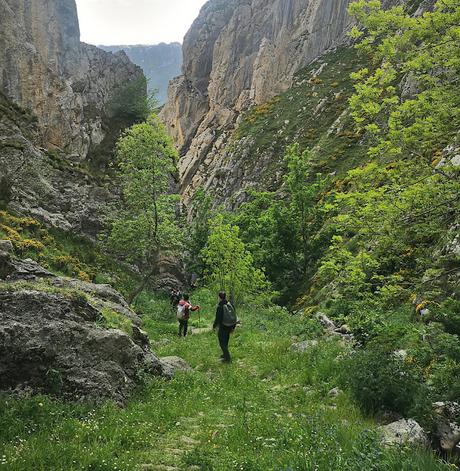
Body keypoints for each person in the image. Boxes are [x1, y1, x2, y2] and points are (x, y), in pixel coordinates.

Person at [213, 291, 237, 363]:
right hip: (230, 325)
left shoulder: (220, 306)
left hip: (223, 326)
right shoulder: (230, 304)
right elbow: (234, 315)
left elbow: (218, 318)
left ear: (219, 297)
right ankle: (224, 354)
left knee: (221, 342)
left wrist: (214, 326)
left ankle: (227, 358)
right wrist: (233, 326)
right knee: (226, 340)